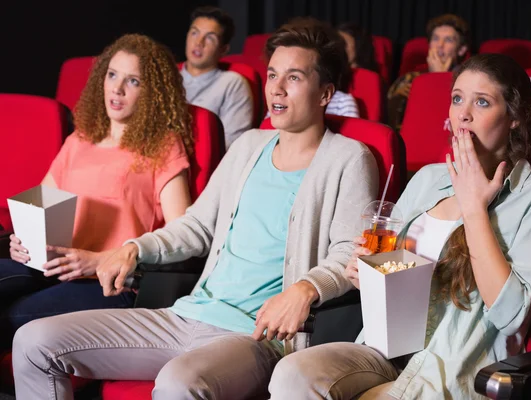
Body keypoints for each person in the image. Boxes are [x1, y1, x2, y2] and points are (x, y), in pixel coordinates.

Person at [12, 17, 379, 400]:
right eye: (272, 75)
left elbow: (352, 253)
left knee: (178, 382)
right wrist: (136, 248)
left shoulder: (349, 158)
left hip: (255, 335)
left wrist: (306, 288)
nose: (277, 88)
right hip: (187, 313)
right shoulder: (249, 146)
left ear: (325, 94)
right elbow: (197, 225)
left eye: (294, 78)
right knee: (33, 342)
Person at [268, 53, 531, 400]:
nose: (463, 113)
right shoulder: (427, 179)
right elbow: (394, 271)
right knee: (291, 374)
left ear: (514, 117)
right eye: (457, 99)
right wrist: (368, 275)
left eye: (482, 102)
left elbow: (511, 316)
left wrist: (474, 207)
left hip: (453, 366)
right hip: (386, 347)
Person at [0, 34, 193, 349]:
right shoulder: (81, 138)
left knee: (13, 318)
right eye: (112, 75)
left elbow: (183, 237)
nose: (117, 88)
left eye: (133, 81)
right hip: (51, 266)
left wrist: (99, 260)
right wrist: (21, 241)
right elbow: (40, 204)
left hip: (111, 282)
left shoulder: (164, 146)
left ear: (153, 93)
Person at [181, 5, 254, 149]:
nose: (198, 43)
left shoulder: (232, 84)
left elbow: (233, 145)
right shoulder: (167, 78)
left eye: (210, 38)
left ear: (223, 49)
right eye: (194, 33)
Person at [388, 14, 470, 131]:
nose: (440, 45)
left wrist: (438, 78)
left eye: (448, 40)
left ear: (461, 49)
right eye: (436, 39)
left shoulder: (467, 82)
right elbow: (392, 122)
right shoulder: (409, 79)